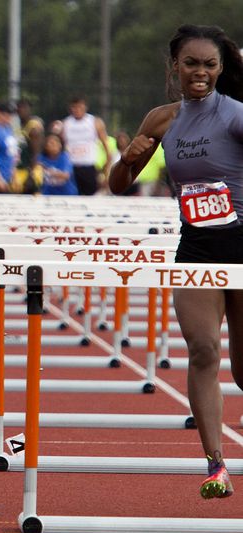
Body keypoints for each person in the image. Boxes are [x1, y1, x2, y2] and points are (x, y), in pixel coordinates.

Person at [108, 24, 243, 500]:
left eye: (209, 64)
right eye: (191, 64)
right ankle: (215, 464)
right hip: (197, 250)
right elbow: (118, 184)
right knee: (204, 349)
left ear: (221, 68)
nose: (200, 73)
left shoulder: (235, 116)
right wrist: (127, 159)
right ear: (175, 68)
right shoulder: (161, 119)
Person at [62, 95, 113, 195]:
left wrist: (107, 165)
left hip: (89, 165)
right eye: (74, 107)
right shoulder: (66, 123)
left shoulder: (94, 122)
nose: (77, 110)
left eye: (80, 107)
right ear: (70, 108)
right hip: (72, 166)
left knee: (91, 194)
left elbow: (105, 144)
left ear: (85, 107)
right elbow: (62, 145)